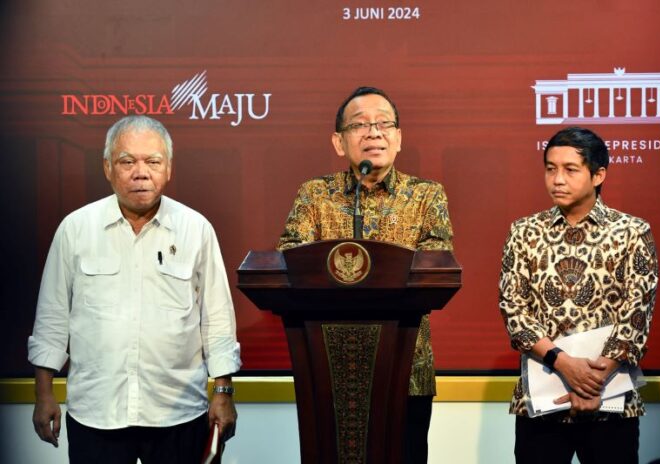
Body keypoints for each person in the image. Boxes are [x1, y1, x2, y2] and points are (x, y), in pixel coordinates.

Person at [28, 115, 241, 463]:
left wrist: (223, 393)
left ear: (169, 168)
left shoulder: (196, 229)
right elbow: (52, 318)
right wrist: (43, 394)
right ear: (108, 167)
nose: (140, 172)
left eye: (153, 161)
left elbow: (216, 321)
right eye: (127, 161)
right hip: (97, 412)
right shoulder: (75, 229)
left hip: (178, 412)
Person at [277, 86, 453, 464]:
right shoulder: (314, 195)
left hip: (407, 372)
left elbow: (436, 267)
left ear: (399, 138)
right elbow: (288, 262)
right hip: (328, 373)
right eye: (360, 125)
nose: (374, 133)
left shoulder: (427, 196)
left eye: (383, 123)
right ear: (339, 142)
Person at [498, 126, 658, 464]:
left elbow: (637, 314)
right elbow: (513, 309)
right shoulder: (524, 232)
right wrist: (564, 363)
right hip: (541, 400)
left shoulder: (632, 232)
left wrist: (593, 381)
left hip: (611, 399)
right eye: (550, 168)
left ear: (598, 174)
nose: (557, 179)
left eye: (570, 169)